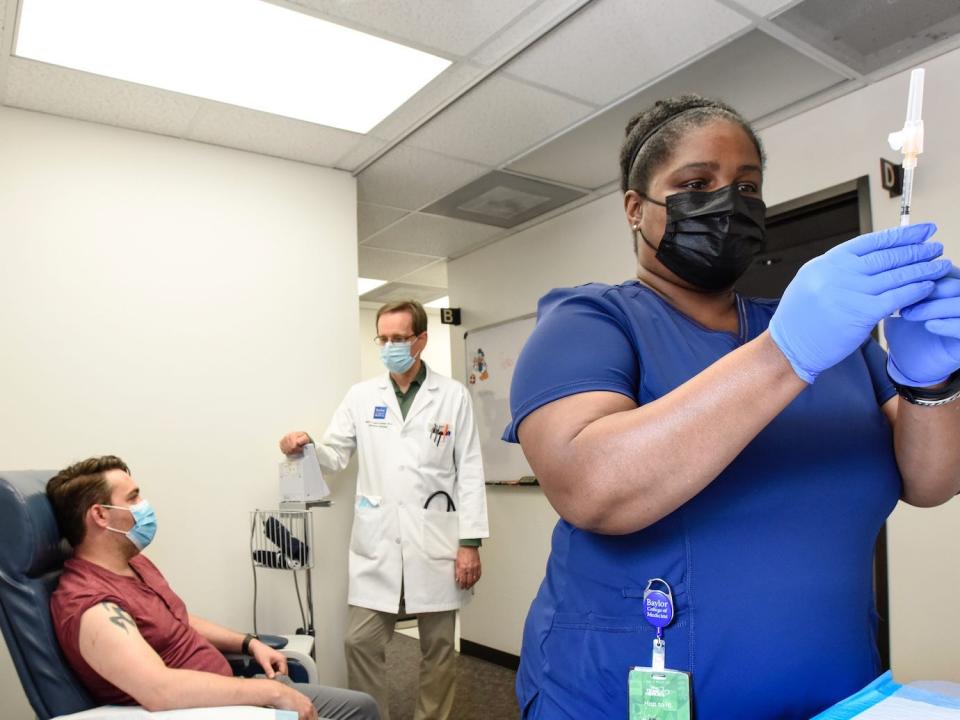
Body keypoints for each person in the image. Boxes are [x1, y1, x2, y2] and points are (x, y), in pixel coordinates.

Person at [504, 95, 960, 719]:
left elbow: (932, 483)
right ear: (636, 208)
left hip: (838, 693)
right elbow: (592, 487)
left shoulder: (835, 339)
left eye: (748, 187)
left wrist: (930, 383)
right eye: (696, 183)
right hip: (620, 697)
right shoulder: (592, 321)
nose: (728, 203)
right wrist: (787, 354)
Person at [280, 299, 489, 720]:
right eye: (384, 338)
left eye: (399, 338)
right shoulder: (362, 396)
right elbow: (336, 453)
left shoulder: (452, 396)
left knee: (439, 649)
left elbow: (469, 470)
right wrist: (305, 447)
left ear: (421, 340)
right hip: (377, 542)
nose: (390, 345)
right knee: (360, 642)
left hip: (437, 541)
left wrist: (469, 543)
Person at [46, 455, 379, 720]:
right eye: (133, 498)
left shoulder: (133, 564)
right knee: (357, 711)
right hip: (206, 710)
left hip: (234, 691)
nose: (145, 505)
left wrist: (249, 644)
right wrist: (271, 694)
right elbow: (159, 691)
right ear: (101, 515)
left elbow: (176, 620)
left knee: (361, 706)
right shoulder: (91, 605)